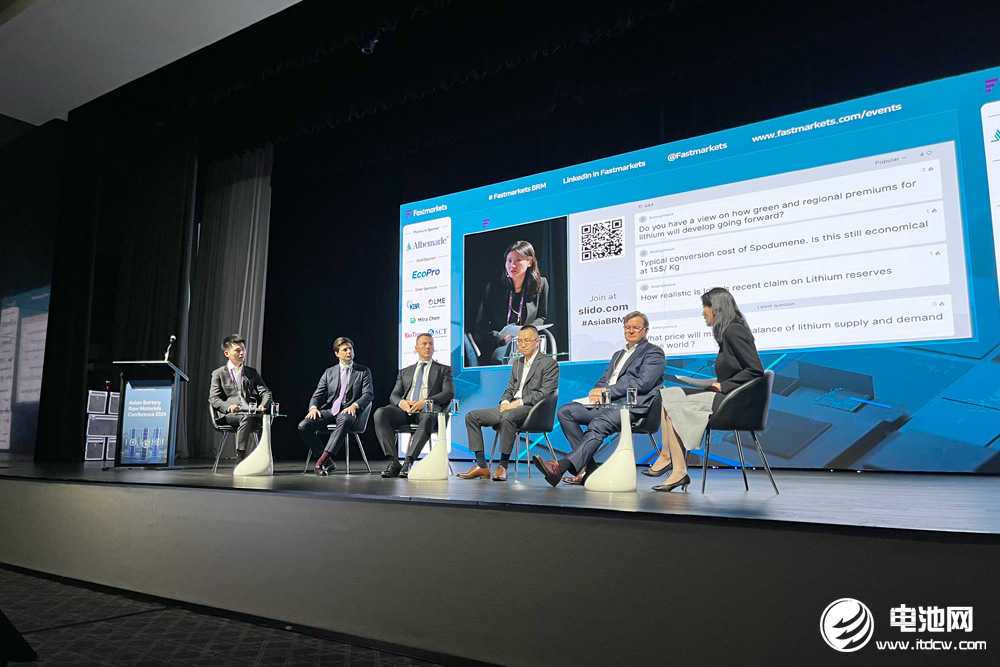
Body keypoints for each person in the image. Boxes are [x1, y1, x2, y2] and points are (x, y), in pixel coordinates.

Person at [646, 287, 763, 492]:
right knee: (668, 395)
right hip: (728, 397)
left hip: (736, 403)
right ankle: (671, 462)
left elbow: (756, 370)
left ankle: (672, 463)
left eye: (705, 307)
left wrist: (723, 385)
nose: (703, 312)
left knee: (671, 399)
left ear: (716, 308)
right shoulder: (729, 332)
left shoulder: (734, 330)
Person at [533, 311, 665, 487]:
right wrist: (596, 391)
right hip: (608, 403)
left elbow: (643, 383)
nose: (631, 331)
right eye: (627, 327)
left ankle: (560, 467)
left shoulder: (654, 353)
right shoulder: (618, 354)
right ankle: (590, 469)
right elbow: (605, 379)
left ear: (645, 330)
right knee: (566, 412)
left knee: (599, 424)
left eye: (636, 327)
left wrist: (606, 391)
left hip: (632, 406)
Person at [459, 325, 559, 481]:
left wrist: (517, 404)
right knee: (472, 416)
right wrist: (505, 401)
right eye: (520, 341)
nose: (522, 345)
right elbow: (510, 388)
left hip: (532, 409)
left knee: (508, 416)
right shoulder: (517, 364)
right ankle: (482, 466)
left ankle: (503, 466)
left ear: (537, 342)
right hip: (511, 407)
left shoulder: (549, 363)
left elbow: (545, 393)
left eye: (527, 341)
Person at [374, 333, 455, 478]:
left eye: (431, 344)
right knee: (380, 413)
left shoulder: (443, 370)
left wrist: (426, 402)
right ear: (416, 348)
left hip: (426, 410)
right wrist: (402, 403)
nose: (428, 347)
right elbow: (394, 395)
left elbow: (449, 392)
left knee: (428, 416)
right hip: (405, 411)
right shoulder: (405, 372)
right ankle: (393, 462)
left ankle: (408, 462)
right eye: (424, 344)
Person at [298, 337, 374, 475]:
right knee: (304, 426)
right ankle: (328, 462)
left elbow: (368, 394)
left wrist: (355, 405)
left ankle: (321, 462)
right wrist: (313, 408)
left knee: (344, 420)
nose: (349, 352)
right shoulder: (329, 372)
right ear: (337, 354)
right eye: (345, 350)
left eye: (350, 349)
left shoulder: (363, 371)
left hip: (349, 412)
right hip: (331, 410)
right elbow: (317, 395)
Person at [472, 240, 550, 365]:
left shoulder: (541, 285)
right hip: (501, 346)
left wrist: (527, 334)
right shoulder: (494, 289)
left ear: (529, 262)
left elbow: (541, 317)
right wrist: (502, 338)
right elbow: (481, 325)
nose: (512, 265)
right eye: (509, 261)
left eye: (518, 260)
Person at [209, 334, 272, 461]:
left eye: (243, 349)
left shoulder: (251, 372)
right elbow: (213, 398)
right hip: (230, 414)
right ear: (227, 353)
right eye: (238, 350)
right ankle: (241, 458)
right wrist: (229, 407)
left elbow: (266, 392)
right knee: (245, 417)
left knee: (266, 418)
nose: (242, 353)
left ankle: (263, 458)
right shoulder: (219, 373)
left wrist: (263, 405)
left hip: (249, 410)